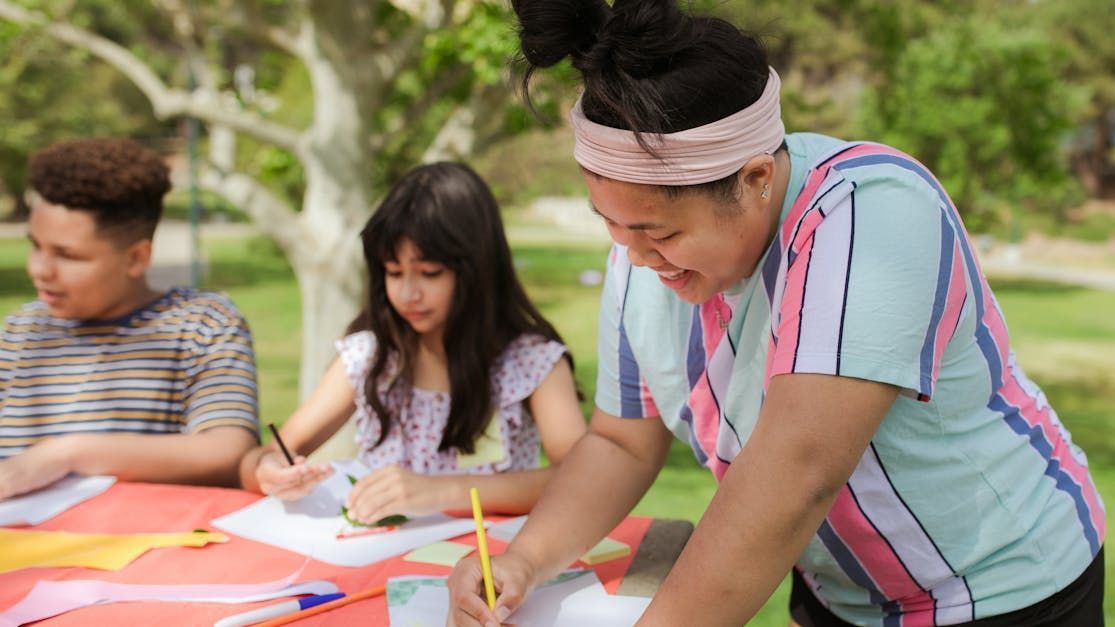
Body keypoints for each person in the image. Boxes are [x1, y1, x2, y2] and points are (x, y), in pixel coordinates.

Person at [447, 1, 1106, 625]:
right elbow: (620, 441)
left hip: (1001, 590)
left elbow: (795, 473)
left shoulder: (872, 214)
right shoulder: (637, 254)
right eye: (612, 224)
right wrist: (523, 560)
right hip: (837, 592)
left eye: (661, 232)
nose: (636, 255)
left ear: (756, 179)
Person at [238, 162, 586, 524]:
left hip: (489, 564)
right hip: (381, 562)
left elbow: (581, 481)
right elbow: (257, 460)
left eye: (429, 273)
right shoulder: (370, 357)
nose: (408, 293)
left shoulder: (531, 363)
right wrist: (270, 470)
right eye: (393, 272)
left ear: (478, 269)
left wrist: (441, 491)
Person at [0, 137, 259, 500]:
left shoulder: (201, 326)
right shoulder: (20, 332)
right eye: (35, 245)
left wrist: (67, 454)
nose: (40, 270)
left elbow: (229, 450)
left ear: (136, 258)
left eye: (68, 256)